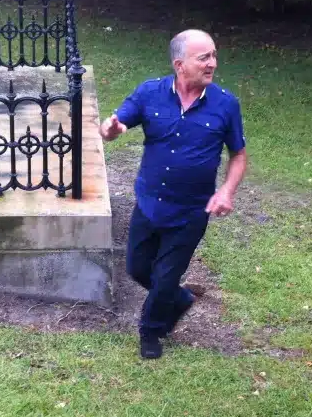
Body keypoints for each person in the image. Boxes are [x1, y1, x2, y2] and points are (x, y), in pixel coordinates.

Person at [100, 29, 247, 359]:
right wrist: (110, 130)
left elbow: (238, 154)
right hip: (150, 203)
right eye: (204, 57)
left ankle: (151, 331)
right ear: (180, 65)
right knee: (137, 268)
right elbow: (115, 126)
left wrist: (226, 191)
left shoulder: (225, 104)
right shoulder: (149, 93)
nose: (212, 63)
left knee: (166, 277)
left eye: (213, 55)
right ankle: (179, 300)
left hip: (191, 212)